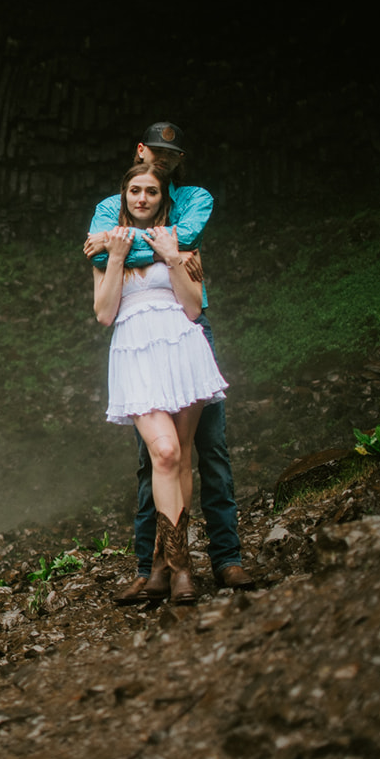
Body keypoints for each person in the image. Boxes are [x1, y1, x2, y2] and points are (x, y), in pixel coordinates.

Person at [85, 122, 253, 601]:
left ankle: (225, 561)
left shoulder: (190, 204)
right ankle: (153, 567)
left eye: (153, 187)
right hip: (138, 347)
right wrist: (123, 249)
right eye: (136, 188)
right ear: (139, 152)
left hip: (186, 336)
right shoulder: (111, 212)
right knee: (158, 458)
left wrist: (171, 251)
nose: (145, 193)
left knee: (211, 455)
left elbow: (190, 277)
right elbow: (100, 280)